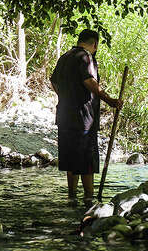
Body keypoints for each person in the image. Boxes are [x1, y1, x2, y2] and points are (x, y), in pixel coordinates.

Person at [50, 29, 122, 200]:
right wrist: (109, 100)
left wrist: (65, 97)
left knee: (71, 161)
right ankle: (89, 200)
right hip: (83, 119)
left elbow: (53, 82)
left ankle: (72, 198)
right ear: (95, 44)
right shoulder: (86, 57)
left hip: (64, 117)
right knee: (86, 162)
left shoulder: (65, 57)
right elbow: (89, 81)